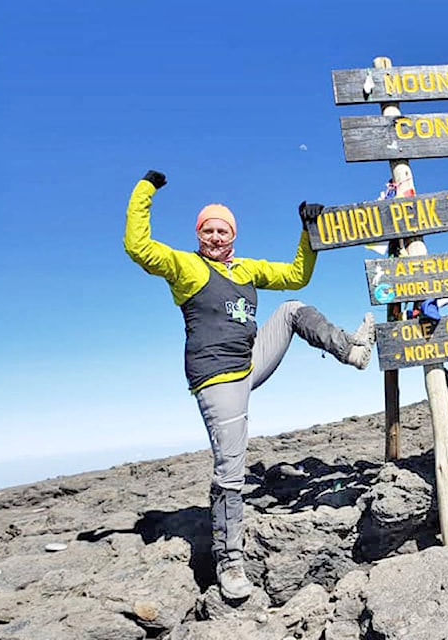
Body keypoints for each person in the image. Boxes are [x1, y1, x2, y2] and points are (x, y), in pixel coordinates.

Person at [124, 170, 375, 600]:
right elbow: (139, 247)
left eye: (223, 230)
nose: (216, 236)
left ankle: (351, 350)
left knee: (293, 307)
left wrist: (307, 230)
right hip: (217, 377)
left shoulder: (246, 269)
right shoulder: (186, 267)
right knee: (231, 471)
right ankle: (230, 563)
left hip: (250, 360)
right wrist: (145, 189)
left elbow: (297, 275)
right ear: (199, 234)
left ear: (233, 234)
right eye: (209, 230)